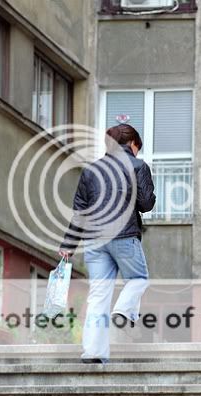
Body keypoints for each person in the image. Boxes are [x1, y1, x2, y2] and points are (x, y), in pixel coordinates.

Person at [59, 124, 156, 364]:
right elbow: (146, 204)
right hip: (123, 235)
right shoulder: (138, 166)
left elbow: (80, 212)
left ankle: (93, 352)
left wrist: (69, 244)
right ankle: (124, 310)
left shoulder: (91, 171)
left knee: (98, 296)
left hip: (93, 239)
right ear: (132, 143)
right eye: (137, 147)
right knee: (138, 279)